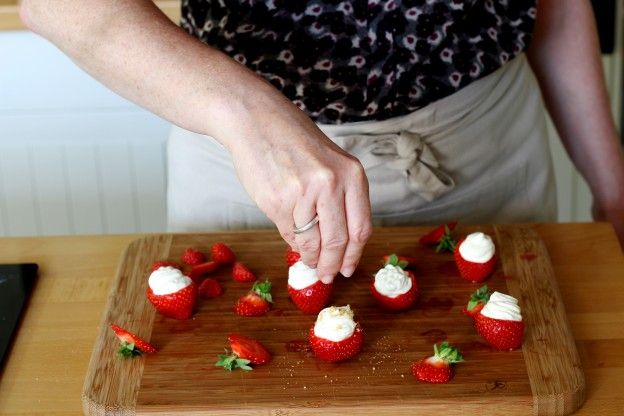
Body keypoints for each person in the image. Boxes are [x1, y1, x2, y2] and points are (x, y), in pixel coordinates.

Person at [20, 0, 624, 283]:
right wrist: (251, 117)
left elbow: (557, 6)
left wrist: (614, 187)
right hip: (248, 170)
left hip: (489, 150)